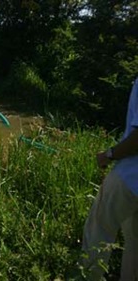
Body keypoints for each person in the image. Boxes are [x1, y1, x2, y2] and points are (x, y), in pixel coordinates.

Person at [81, 78, 138, 280]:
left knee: (98, 228)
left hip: (131, 175)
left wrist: (110, 154)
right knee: (135, 242)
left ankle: (89, 276)